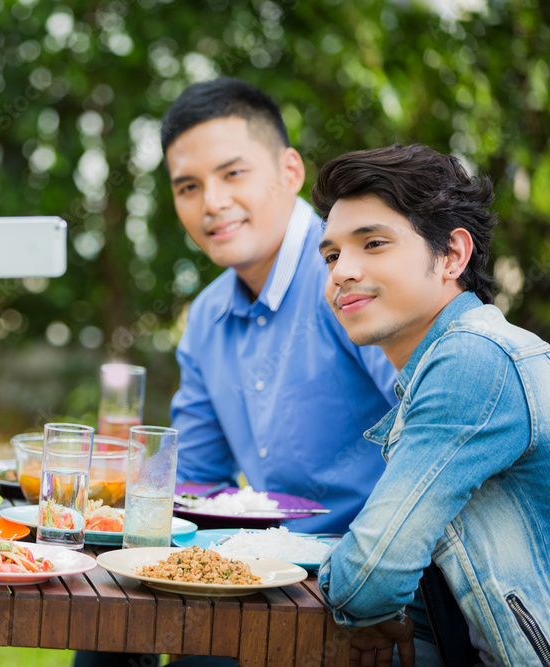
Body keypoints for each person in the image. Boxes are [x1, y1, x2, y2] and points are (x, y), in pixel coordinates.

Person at [315, 144, 550, 666]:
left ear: (452, 256)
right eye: (331, 255)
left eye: (373, 244)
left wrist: (349, 580)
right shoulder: (452, 359)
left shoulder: (474, 360)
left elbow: (368, 580)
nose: (341, 272)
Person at [162, 78, 396, 535]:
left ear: (290, 172)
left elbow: (439, 432)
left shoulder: (352, 276)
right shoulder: (207, 318)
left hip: (393, 581)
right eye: (188, 187)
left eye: (233, 174)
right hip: (278, 583)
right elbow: (196, 484)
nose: (213, 203)